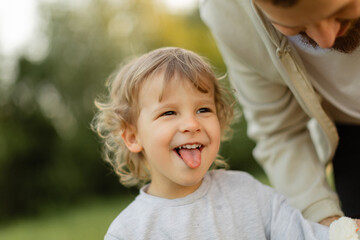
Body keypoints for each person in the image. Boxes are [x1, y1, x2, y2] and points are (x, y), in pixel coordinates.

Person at [91, 47, 339, 239]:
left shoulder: (248, 193)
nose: (191, 124)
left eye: (203, 109)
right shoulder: (129, 232)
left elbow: (303, 235)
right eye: (169, 113)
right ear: (133, 137)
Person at [199, 0, 360, 226]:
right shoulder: (227, 11)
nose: (326, 40)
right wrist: (324, 222)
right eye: (297, 27)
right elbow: (280, 130)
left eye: (340, 12)